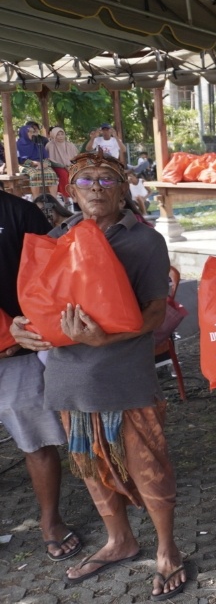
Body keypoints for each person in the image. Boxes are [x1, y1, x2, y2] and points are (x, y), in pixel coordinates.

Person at [11, 150, 187, 600]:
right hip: (69, 378)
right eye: (86, 179)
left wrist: (107, 341)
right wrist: (22, 329)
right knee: (90, 467)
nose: (96, 187)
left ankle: (167, 549)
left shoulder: (143, 241)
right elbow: (42, 308)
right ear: (72, 190)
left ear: (123, 189)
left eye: (107, 179)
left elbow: (154, 311)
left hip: (123, 376)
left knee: (148, 468)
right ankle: (119, 540)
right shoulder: (57, 237)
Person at [0, 189, 82, 565]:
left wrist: (27, 331)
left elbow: (50, 278)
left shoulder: (18, 212)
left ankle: (50, 522)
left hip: (15, 349)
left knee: (34, 440)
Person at [17, 123, 59, 200]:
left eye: (33, 132)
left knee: (52, 174)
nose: (32, 133)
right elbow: (19, 159)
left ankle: (55, 201)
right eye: (29, 132)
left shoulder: (37, 144)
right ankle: (36, 200)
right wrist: (34, 163)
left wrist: (45, 164)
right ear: (24, 133)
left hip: (41, 164)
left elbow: (46, 157)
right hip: (25, 165)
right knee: (35, 175)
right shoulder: (17, 145)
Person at [46, 126, 79, 200]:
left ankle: (77, 195)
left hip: (71, 165)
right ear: (54, 135)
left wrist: (71, 165)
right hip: (56, 166)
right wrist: (63, 166)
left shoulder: (70, 144)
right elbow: (49, 160)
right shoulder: (50, 145)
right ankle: (67, 196)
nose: (61, 136)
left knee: (78, 174)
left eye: (62, 134)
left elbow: (76, 157)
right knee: (64, 174)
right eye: (58, 134)